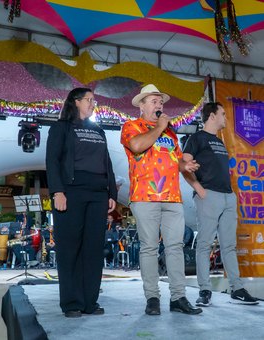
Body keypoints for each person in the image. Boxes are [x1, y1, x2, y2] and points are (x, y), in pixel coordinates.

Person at [121, 84, 202, 315]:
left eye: (161, 102)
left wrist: (185, 165)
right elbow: (137, 146)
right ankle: (152, 298)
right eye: (154, 101)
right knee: (149, 247)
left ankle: (178, 297)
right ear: (142, 105)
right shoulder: (132, 126)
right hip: (145, 196)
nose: (159, 105)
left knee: (175, 247)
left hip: (172, 196)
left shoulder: (170, 134)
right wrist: (159, 127)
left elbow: (176, 161)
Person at [46, 87, 117, 318]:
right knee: (70, 249)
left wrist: (112, 194)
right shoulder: (61, 128)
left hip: (98, 194)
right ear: (75, 102)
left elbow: (107, 163)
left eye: (94, 100)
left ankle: (90, 302)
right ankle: (72, 303)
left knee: (94, 249)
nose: (93, 103)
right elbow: (52, 161)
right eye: (89, 100)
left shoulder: (99, 131)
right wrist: (57, 191)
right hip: (71, 193)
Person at [183, 102, 258, 306]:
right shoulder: (196, 138)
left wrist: (231, 195)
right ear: (212, 116)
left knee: (229, 246)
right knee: (204, 245)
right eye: (223, 114)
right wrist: (198, 188)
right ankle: (205, 290)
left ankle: (237, 289)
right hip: (209, 196)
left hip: (227, 197)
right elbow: (184, 164)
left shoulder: (219, 141)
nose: (226, 117)